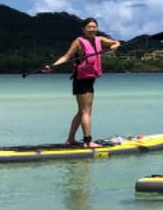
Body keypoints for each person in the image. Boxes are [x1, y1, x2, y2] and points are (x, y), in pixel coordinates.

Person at [42, 17, 120, 148]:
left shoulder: (99, 40)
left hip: (90, 80)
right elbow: (66, 57)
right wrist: (53, 66)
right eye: (89, 27)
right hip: (81, 80)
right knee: (86, 112)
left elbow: (116, 42)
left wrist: (115, 46)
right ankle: (88, 141)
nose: (92, 29)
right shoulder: (78, 42)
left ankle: (70, 140)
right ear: (83, 29)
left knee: (81, 112)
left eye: (94, 27)